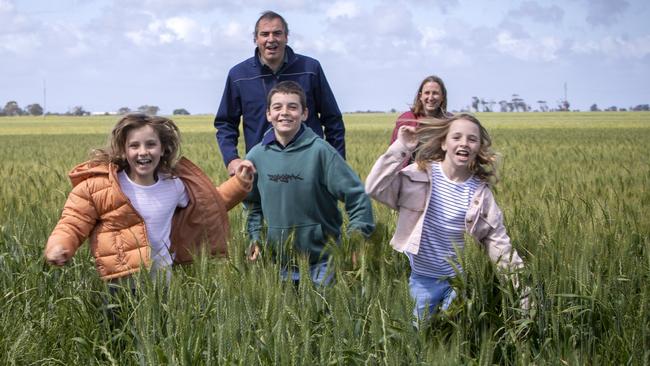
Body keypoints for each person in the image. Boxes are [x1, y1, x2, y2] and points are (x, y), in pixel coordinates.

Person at [44, 113, 255, 283]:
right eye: (134, 146)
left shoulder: (174, 185)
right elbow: (73, 222)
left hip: (163, 282)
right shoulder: (101, 186)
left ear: (163, 149)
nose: (143, 152)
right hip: (119, 283)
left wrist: (239, 183)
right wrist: (59, 245)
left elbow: (209, 205)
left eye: (151, 144)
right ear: (124, 151)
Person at [366, 113, 526, 321]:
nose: (464, 143)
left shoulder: (480, 194)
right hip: (423, 281)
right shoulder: (418, 175)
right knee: (417, 337)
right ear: (443, 143)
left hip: (460, 283)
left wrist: (522, 288)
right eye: (457, 137)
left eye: (472, 139)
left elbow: (500, 244)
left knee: (454, 338)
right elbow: (374, 187)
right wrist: (401, 147)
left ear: (478, 148)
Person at [245, 81, 374, 286]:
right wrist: (255, 238)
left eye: (293, 107)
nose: (284, 113)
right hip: (278, 265)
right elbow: (252, 205)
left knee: (322, 317)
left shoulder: (322, 152)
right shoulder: (256, 156)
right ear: (268, 114)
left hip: (323, 264)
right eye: (277, 107)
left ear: (305, 113)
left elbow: (357, 196)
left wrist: (356, 238)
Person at [214, 10, 346, 177]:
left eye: (277, 33)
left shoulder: (310, 69)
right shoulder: (239, 76)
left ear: (286, 37)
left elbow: (333, 120)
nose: (271, 39)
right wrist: (231, 158)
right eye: (264, 34)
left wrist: (336, 163)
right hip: (261, 170)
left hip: (310, 168)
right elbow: (225, 123)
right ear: (256, 39)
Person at [390, 75, 452, 166]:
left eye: (435, 93)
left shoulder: (450, 121)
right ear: (420, 96)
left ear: (442, 96)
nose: (430, 98)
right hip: (409, 175)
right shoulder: (406, 119)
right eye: (427, 93)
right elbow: (394, 154)